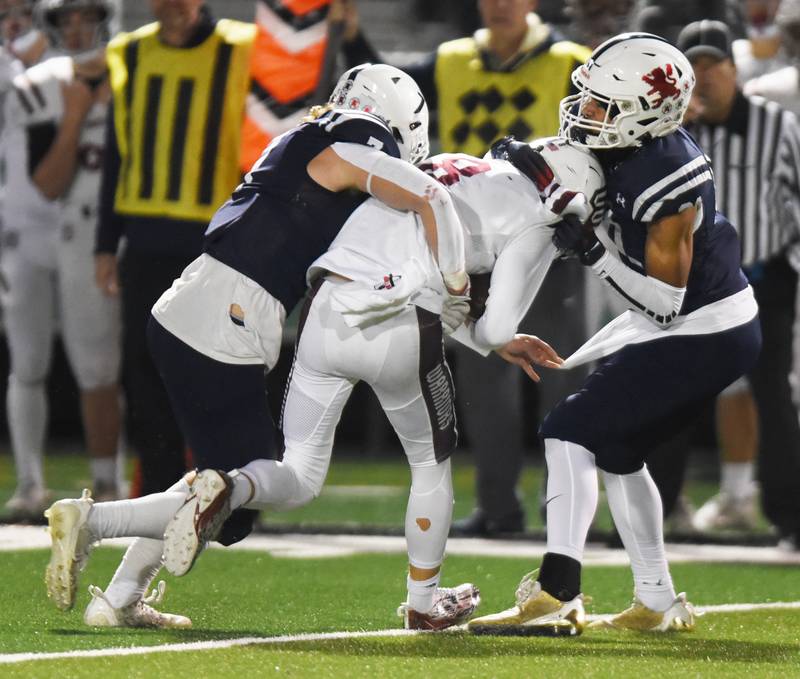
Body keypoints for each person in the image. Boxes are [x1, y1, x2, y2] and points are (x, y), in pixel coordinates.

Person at [44, 135, 605, 631]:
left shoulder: (444, 166)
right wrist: (488, 320)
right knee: (429, 463)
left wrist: (480, 331)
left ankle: (228, 491)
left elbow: (417, 251)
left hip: (325, 308)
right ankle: (422, 601)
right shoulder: (536, 214)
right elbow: (475, 302)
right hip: (401, 324)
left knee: (297, 473)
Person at [44, 63, 470, 629]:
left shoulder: (303, 135)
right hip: (227, 317)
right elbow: (430, 197)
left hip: (195, 303)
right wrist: (456, 289)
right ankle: (90, 522)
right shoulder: (352, 138)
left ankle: (120, 599)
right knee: (237, 502)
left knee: (218, 483)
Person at [468, 32, 761, 636]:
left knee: (569, 429)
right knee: (620, 452)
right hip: (698, 321)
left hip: (701, 327)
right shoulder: (638, 148)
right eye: (588, 99)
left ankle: (557, 594)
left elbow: (662, 305)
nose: (585, 115)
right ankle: (656, 601)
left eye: (604, 107)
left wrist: (595, 255)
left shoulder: (666, 177)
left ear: (647, 115)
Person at [342, 0, 594, 537]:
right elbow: (387, 97)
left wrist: (586, 222)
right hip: (467, 245)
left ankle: (566, 511)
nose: (500, 5)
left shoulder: (574, 62)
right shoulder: (451, 60)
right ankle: (497, 505)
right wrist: (352, 37)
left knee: (562, 383)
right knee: (483, 385)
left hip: (547, 239)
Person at [94, 0, 256, 497]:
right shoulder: (131, 52)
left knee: (221, 367)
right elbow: (118, 149)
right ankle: (160, 498)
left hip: (217, 237)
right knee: (143, 373)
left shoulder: (242, 49)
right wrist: (105, 242)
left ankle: (234, 493)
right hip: (144, 237)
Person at [677, 20, 800, 538]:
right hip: (690, 284)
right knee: (670, 389)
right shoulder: (668, 133)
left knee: (773, 396)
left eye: (713, 66)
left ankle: (790, 517)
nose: (704, 79)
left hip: (764, 277)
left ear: (734, 69)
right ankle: (657, 508)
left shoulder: (778, 123)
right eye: (693, 69)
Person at [1, 0, 121, 519]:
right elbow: (44, 179)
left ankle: (111, 483)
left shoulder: (127, 68)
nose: (76, 27)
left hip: (96, 229)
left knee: (100, 364)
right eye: (65, 18)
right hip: (25, 228)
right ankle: (31, 483)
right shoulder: (35, 80)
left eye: (85, 16)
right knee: (27, 362)